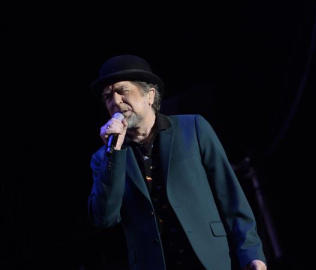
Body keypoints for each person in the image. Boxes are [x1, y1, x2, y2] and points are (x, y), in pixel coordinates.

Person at [87, 54, 268, 270]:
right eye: (108, 96)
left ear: (150, 95)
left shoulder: (192, 128)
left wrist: (251, 254)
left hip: (209, 260)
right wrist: (113, 155)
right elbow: (104, 218)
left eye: (123, 91)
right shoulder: (103, 158)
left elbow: (230, 196)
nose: (115, 101)